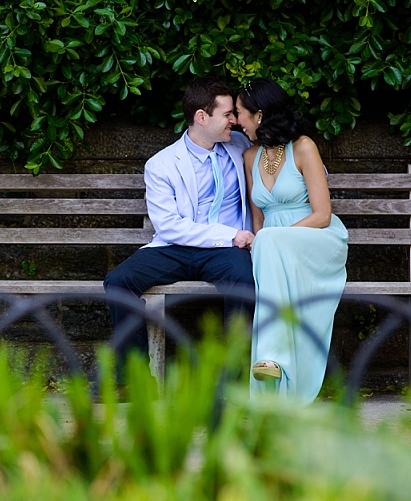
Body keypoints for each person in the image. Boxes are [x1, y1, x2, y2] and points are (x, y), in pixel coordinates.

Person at [103, 77, 255, 377]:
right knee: (118, 281)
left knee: (244, 280)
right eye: (227, 114)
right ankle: (131, 377)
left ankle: (232, 379)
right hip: (176, 248)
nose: (234, 121)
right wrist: (231, 234)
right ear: (202, 117)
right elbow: (170, 226)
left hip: (225, 252)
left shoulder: (241, 146)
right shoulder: (161, 164)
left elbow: (284, 159)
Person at [235, 77, 349, 404]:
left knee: (269, 242)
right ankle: (272, 366)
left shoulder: (303, 147)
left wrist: (274, 237)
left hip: (317, 239)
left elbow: (323, 214)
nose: (236, 120)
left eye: (241, 113)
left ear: (259, 115)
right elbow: (258, 222)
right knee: (267, 244)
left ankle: (271, 357)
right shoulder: (250, 157)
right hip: (273, 248)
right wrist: (264, 241)